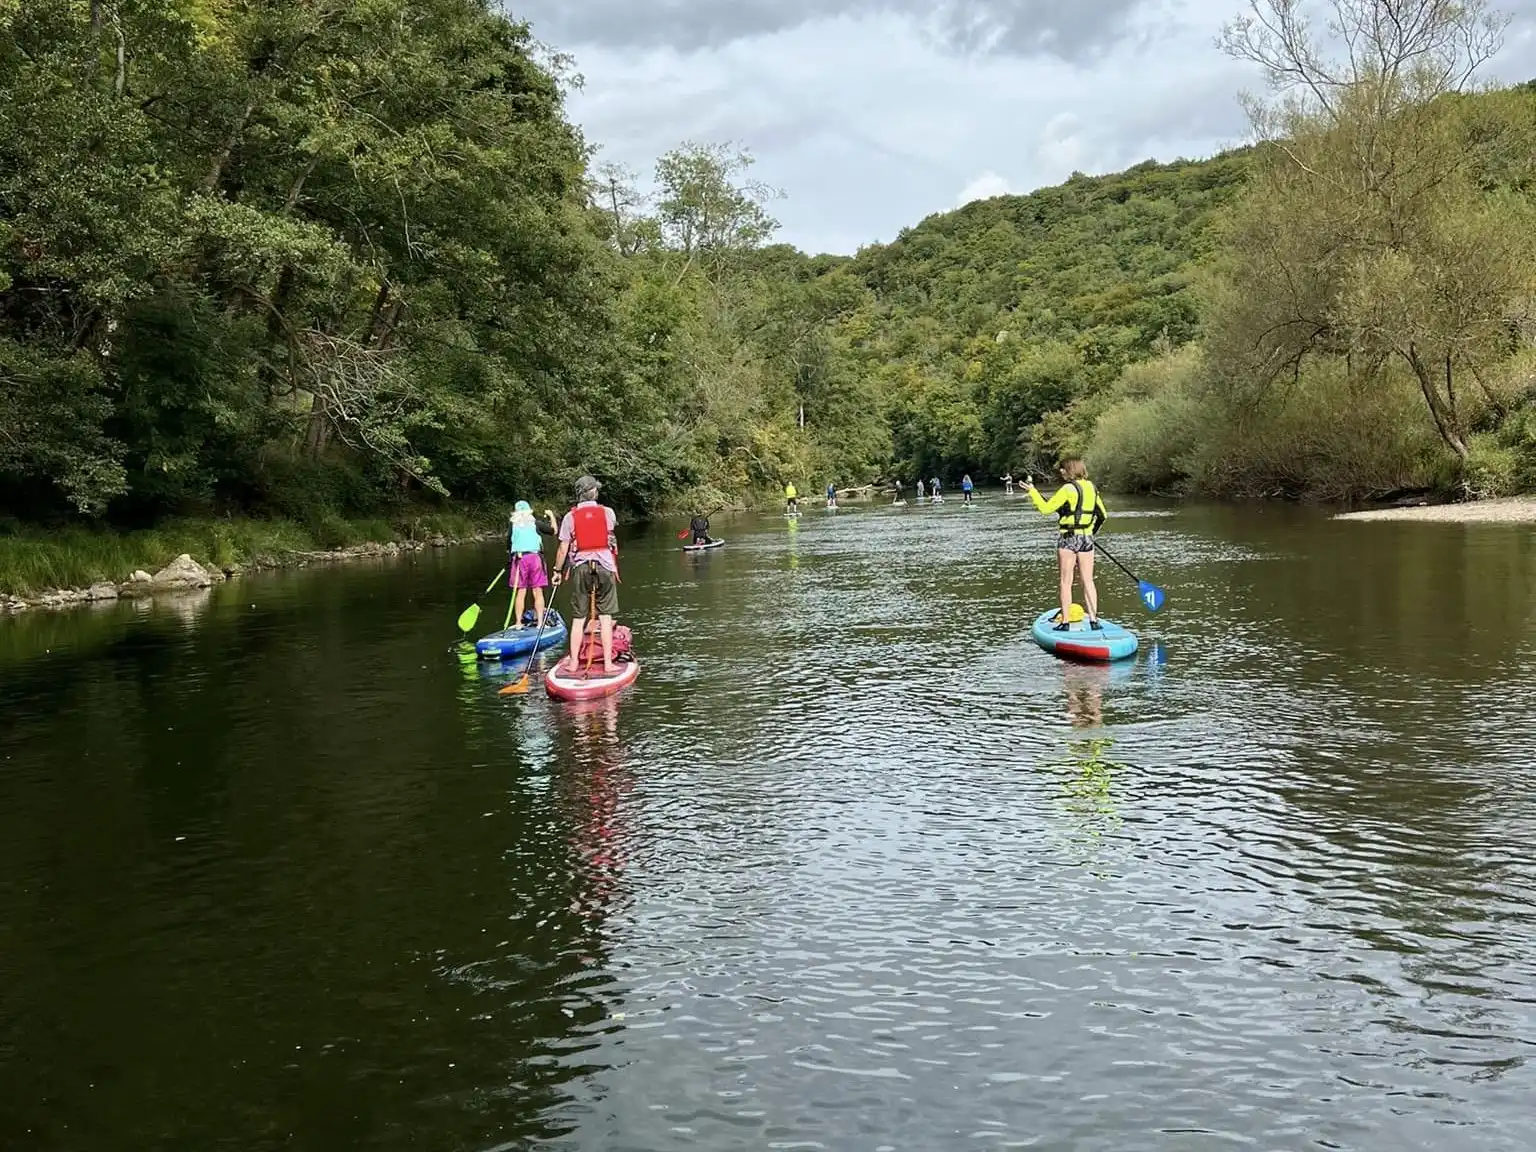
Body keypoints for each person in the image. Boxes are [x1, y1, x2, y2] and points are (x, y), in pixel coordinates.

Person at [1024, 457, 1108, 632]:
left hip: (1068, 538)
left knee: (1065, 581)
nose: (1061, 472)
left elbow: (1046, 509)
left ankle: (1066, 622)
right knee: (1088, 580)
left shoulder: (1068, 489)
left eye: (1062, 469)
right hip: (1086, 539)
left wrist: (1033, 492)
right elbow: (1102, 515)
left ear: (1069, 470)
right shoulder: (1092, 487)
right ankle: (1094, 620)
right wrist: (1091, 532)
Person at [553, 474, 621, 675]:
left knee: (578, 617)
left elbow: (563, 548)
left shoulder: (569, 517)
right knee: (606, 617)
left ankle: (574, 663)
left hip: (581, 567)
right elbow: (609, 532)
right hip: (605, 567)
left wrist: (557, 571)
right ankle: (608, 664)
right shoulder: (608, 512)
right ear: (594, 492)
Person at [508, 499, 558, 627]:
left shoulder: (512, 525)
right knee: (537, 591)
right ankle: (540, 623)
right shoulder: (536, 523)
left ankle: (518, 623)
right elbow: (554, 531)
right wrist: (551, 515)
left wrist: (510, 557)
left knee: (521, 591)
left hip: (519, 559)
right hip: (535, 558)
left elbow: (509, 544)